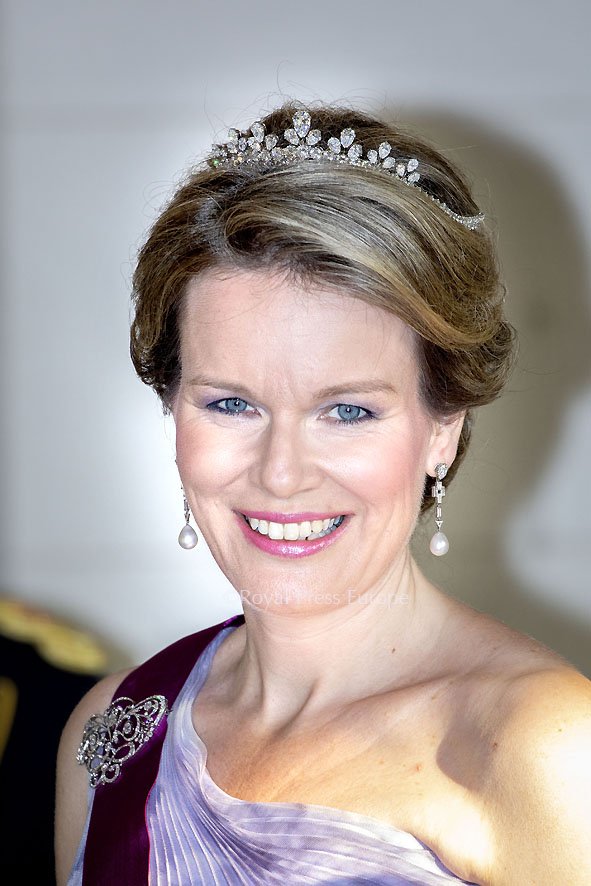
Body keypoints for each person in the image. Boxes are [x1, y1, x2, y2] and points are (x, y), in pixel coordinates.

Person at [55, 102, 591, 885]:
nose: (281, 473)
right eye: (230, 403)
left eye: (347, 411)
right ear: (172, 407)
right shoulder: (115, 729)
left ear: (442, 427)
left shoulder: (540, 747)